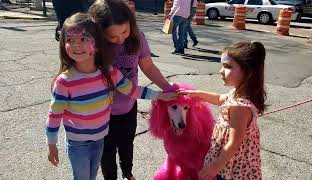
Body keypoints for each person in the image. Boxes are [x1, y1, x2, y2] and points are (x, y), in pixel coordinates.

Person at [46, 12, 175, 180]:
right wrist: (51, 144)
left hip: (100, 140)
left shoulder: (108, 72)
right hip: (78, 145)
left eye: (84, 39)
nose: (77, 45)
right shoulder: (64, 82)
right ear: (63, 44)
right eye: (70, 40)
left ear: (98, 44)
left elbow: (132, 90)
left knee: (91, 175)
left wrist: (161, 95)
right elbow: (54, 115)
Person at [89, 1, 171, 180]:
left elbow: (148, 67)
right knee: (107, 150)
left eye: (124, 32)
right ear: (100, 32)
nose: (120, 39)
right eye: (112, 36)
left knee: (127, 144)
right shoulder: (94, 46)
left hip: (128, 106)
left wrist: (168, 87)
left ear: (130, 23)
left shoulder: (138, 38)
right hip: (103, 111)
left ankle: (127, 172)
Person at [178, 41, 266, 180]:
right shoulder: (237, 92)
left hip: (234, 167)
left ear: (248, 72)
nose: (221, 70)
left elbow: (234, 143)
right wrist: (196, 93)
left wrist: (215, 166)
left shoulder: (239, 108)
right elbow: (219, 98)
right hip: (228, 161)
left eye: (228, 66)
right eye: (222, 65)